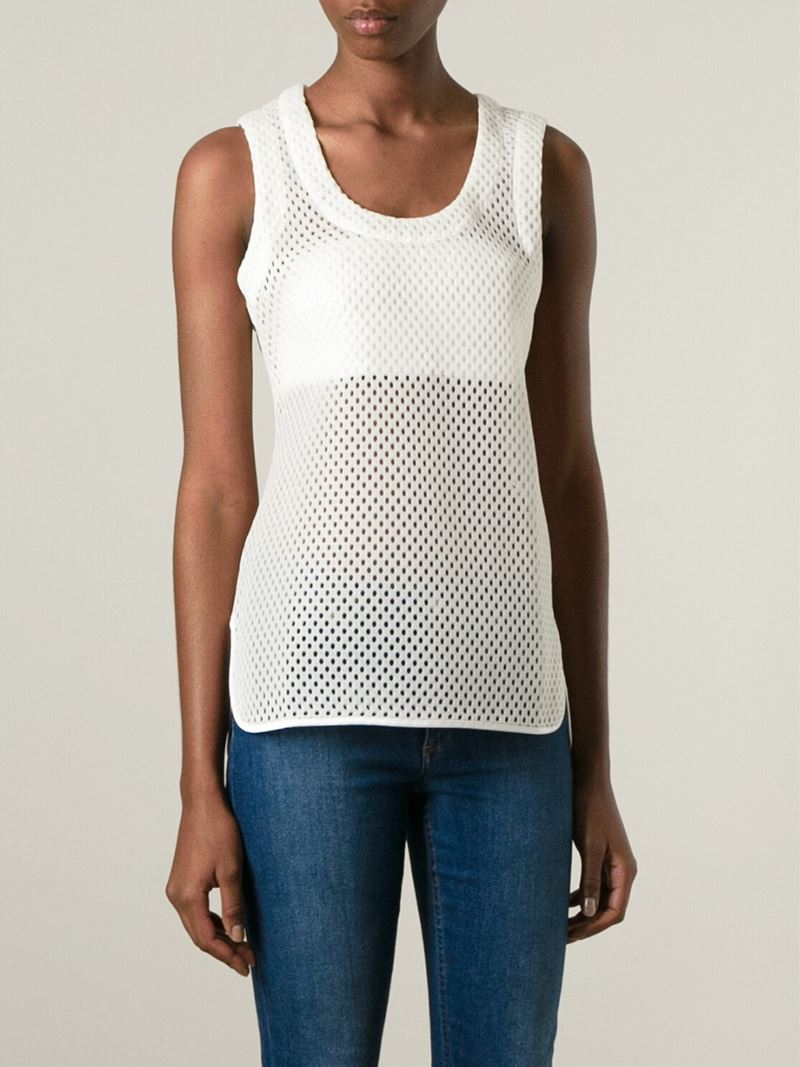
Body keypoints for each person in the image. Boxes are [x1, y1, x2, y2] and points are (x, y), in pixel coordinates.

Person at [165, 2, 638, 1064]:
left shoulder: (542, 171)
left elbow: (567, 472)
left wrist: (594, 763)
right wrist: (199, 783)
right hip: (304, 715)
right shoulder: (235, 171)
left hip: (507, 713)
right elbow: (215, 490)